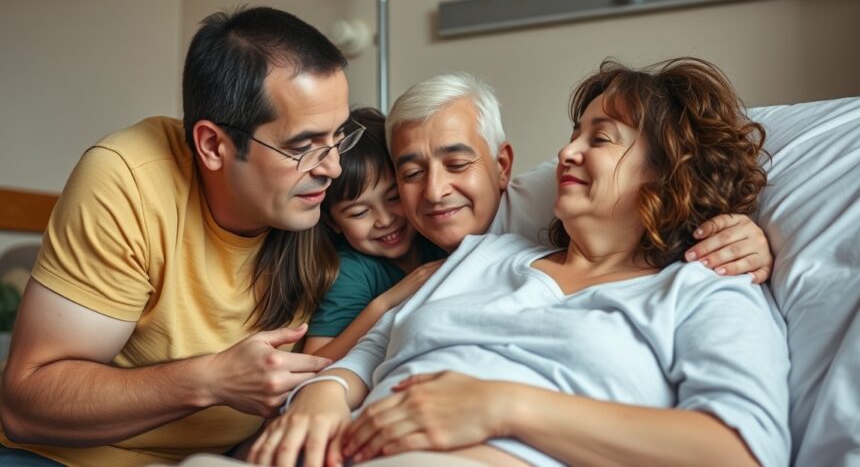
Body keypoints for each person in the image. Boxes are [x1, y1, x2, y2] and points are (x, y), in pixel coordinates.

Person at [247, 57, 790, 467]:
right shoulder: (484, 254)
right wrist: (325, 392)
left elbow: (743, 450)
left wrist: (505, 408)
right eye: (574, 134)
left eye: (599, 138)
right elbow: (371, 349)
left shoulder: (707, 288)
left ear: (667, 167)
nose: (566, 152)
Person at [0, 7, 353, 467]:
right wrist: (210, 379)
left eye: (339, 136)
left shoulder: (332, 196)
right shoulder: (129, 178)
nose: (332, 168)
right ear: (212, 145)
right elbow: (25, 408)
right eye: (302, 148)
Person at [386, 71, 774, 281]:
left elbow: (661, 191)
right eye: (412, 173)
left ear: (502, 166)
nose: (434, 191)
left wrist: (742, 234)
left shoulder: (556, 195)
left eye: (457, 165)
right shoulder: (384, 231)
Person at [303, 108, 446, 360]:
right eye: (359, 212)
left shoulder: (437, 234)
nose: (385, 220)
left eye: (393, 198)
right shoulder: (351, 272)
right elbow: (315, 359)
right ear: (332, 221)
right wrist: (385, 303)